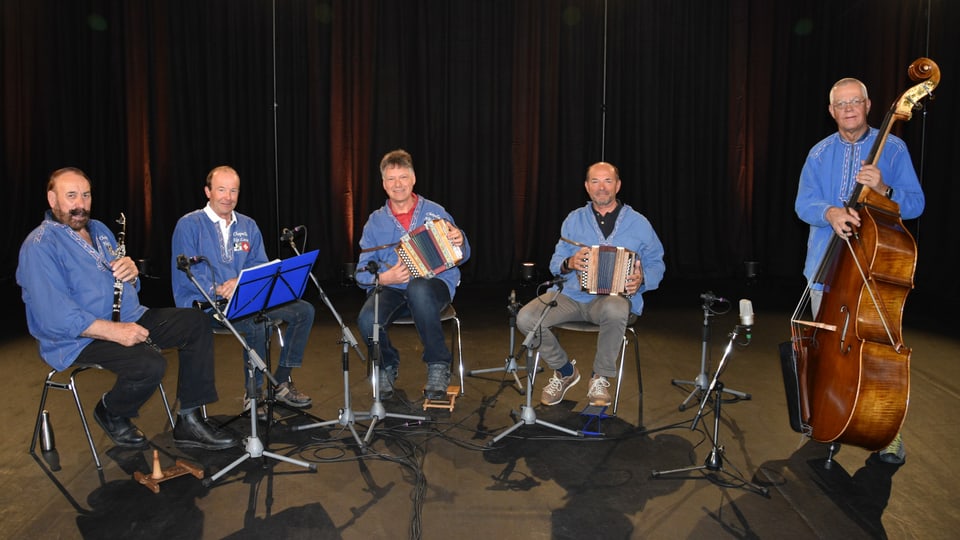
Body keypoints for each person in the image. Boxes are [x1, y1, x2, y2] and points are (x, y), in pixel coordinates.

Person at [17, 167, 237, 450]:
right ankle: (111, 411)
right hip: (78, 337)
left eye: (85, 195)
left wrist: (132, 274)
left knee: (195, 322)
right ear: (52, 199)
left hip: (130, 317)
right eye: (71, 196)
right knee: (149, 363)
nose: (80, 204)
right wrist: (114, 332)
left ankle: (189, 420)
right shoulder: (40, 245)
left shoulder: (101, 231)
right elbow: (54, 316)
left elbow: (127, 288)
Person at [795, 77, 925, 465]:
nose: (848, 108)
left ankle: (886, 433)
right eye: (840, 104)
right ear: (831, 111)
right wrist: (830, 212)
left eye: (855, 101)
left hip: (874, 268)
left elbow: (915, 204)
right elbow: (803, 204)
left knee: (877, 356)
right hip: (826, 266)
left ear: (868, 106)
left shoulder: (894, 148)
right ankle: (827, 422)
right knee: (827, 356)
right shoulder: (818, 154)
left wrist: (884, 189)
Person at [516, 161, 665, 408]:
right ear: (587, 187)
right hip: (572, 295)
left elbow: (656, 263)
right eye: (595, 181)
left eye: (607, 181)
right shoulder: (573, 220)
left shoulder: (639, 223)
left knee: (617, 307)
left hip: (611, 301)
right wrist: (570, 262)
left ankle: (600, 377)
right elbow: (556, 263)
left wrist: (643, 279)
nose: (602, 187)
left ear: (618, 185)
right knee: (526, 318)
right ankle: (564, 371)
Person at [171, 165, 315, 414]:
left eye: (233, 190)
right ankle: (253, 394)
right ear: (208, 191)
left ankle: (279, 381)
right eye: (221, 190)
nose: (227, 197)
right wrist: (218, 288)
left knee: (305, 311)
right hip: (205, 305)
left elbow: (259, 265)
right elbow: (187, 272)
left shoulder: (248, 225)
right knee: (257, 323)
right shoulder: (189, 224)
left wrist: (239, 281)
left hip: (247, 296)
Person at [356, 149, 471, 400]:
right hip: (392, 289)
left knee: (419, 287)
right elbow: (360, 272)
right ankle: (387, 365)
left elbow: (464, 253)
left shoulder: (435, 211)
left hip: (434, 287)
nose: (398, 185)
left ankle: (438, 363)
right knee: (366, 320)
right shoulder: (374, 222)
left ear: (414, 178)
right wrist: (384, 279)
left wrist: (460, 240)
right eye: (391, 179)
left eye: (403, 177)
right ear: (384, 184)